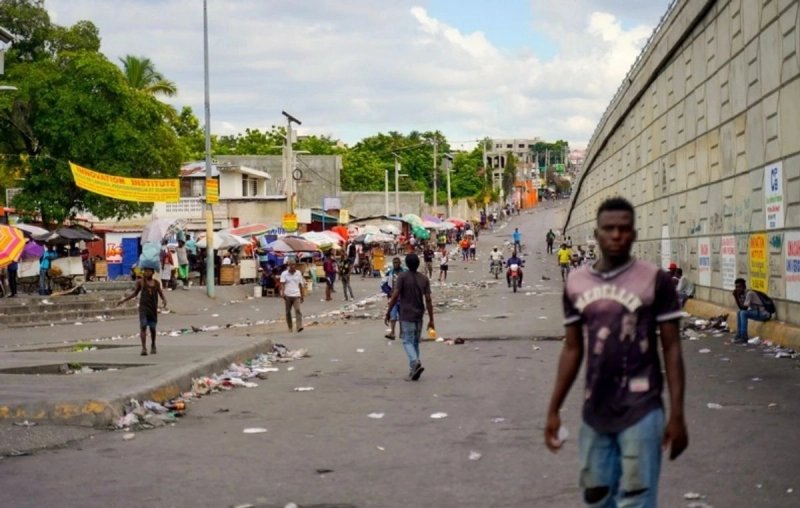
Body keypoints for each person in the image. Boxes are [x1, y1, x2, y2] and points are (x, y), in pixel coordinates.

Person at [544, 196, 688, 508]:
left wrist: (677, 413)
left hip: (643, 407)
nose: (616, 235)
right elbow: (572, 348)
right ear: (596, 234)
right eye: (609, 229)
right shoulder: (576, 283)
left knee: (637, 500)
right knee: (596, 497)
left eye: (624, 229)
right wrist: (554, 408)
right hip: (595, 410)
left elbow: (672, 347)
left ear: (634, 234)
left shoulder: (655, 280)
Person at [385, 253, 434, 382]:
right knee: (415, 342)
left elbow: (395, 295)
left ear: (406, 264)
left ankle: (415, 362)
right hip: (419, 314)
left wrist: (388, 311)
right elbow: (428, 300)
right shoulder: (424, 279)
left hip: (406, 314)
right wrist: (431, 319)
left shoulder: (402, 277)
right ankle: (413, 370)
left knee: (407, 341)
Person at [116, 267, 168, 356]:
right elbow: (135, 293)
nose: (147, 273)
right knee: (143, 326)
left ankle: (153, 344)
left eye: (149, 271)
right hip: (143, 308)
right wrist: (123, 300)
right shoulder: (141, 282)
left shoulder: (156, 283)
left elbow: (160, 293)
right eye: (145, 271)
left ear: (153, 272)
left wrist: (164, 299)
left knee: (152, 328)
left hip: (153, 309)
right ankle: (143, 348)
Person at [732, 278, 770, 344]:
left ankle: (744, 337)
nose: (738, 289)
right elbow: (741, 308)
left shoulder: (749, 294)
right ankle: (739, 335)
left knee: (743, 313)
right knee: (739, 313)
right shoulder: (743, 294)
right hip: (757, 312)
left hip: (764, 314)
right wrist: (736, 296)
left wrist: (736, 296)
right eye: (736, 287)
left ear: (744, 287)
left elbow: (744, 309)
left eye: (739, 287)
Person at [382, 257, 406, 340]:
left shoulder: (404, 272)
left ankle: (402, 332)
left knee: (402, 316)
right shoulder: (389, 273)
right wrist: (389, 292)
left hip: (402, 298)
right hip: (392, 298)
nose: (395, 264)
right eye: (394, 263)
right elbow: (383, 284)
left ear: (400, 263)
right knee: (393, 315)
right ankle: (392, 332)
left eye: (397, 262)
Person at [280, 260, 305, 332]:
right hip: (287, 295)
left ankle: (299, 326)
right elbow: (282, 284)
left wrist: (302, 295)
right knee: (288, 312)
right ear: (288, 266)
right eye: (291, 265)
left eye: (294, 265)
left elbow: (300, 284)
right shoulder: (284, 274)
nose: (292, 266)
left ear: (295, 265)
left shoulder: (298, 273)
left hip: (296, 295)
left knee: (298, 310)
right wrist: (283, 293)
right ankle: (290, 326)